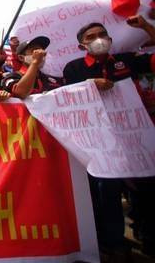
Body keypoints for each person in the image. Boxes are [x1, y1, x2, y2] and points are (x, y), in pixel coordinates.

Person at [62, 16, 155, 258]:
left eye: (102, 34)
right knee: (107, 191)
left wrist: (145, 26)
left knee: (145, 188)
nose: (98, 40)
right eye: (90, 37)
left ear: (110, 39)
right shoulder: (74, 68)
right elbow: (65, 97)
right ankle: (115, 243)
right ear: (82, 45)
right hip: (101, 143)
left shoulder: (127, 60)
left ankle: (148, 235)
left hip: (135, 139)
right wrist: (89, 84)